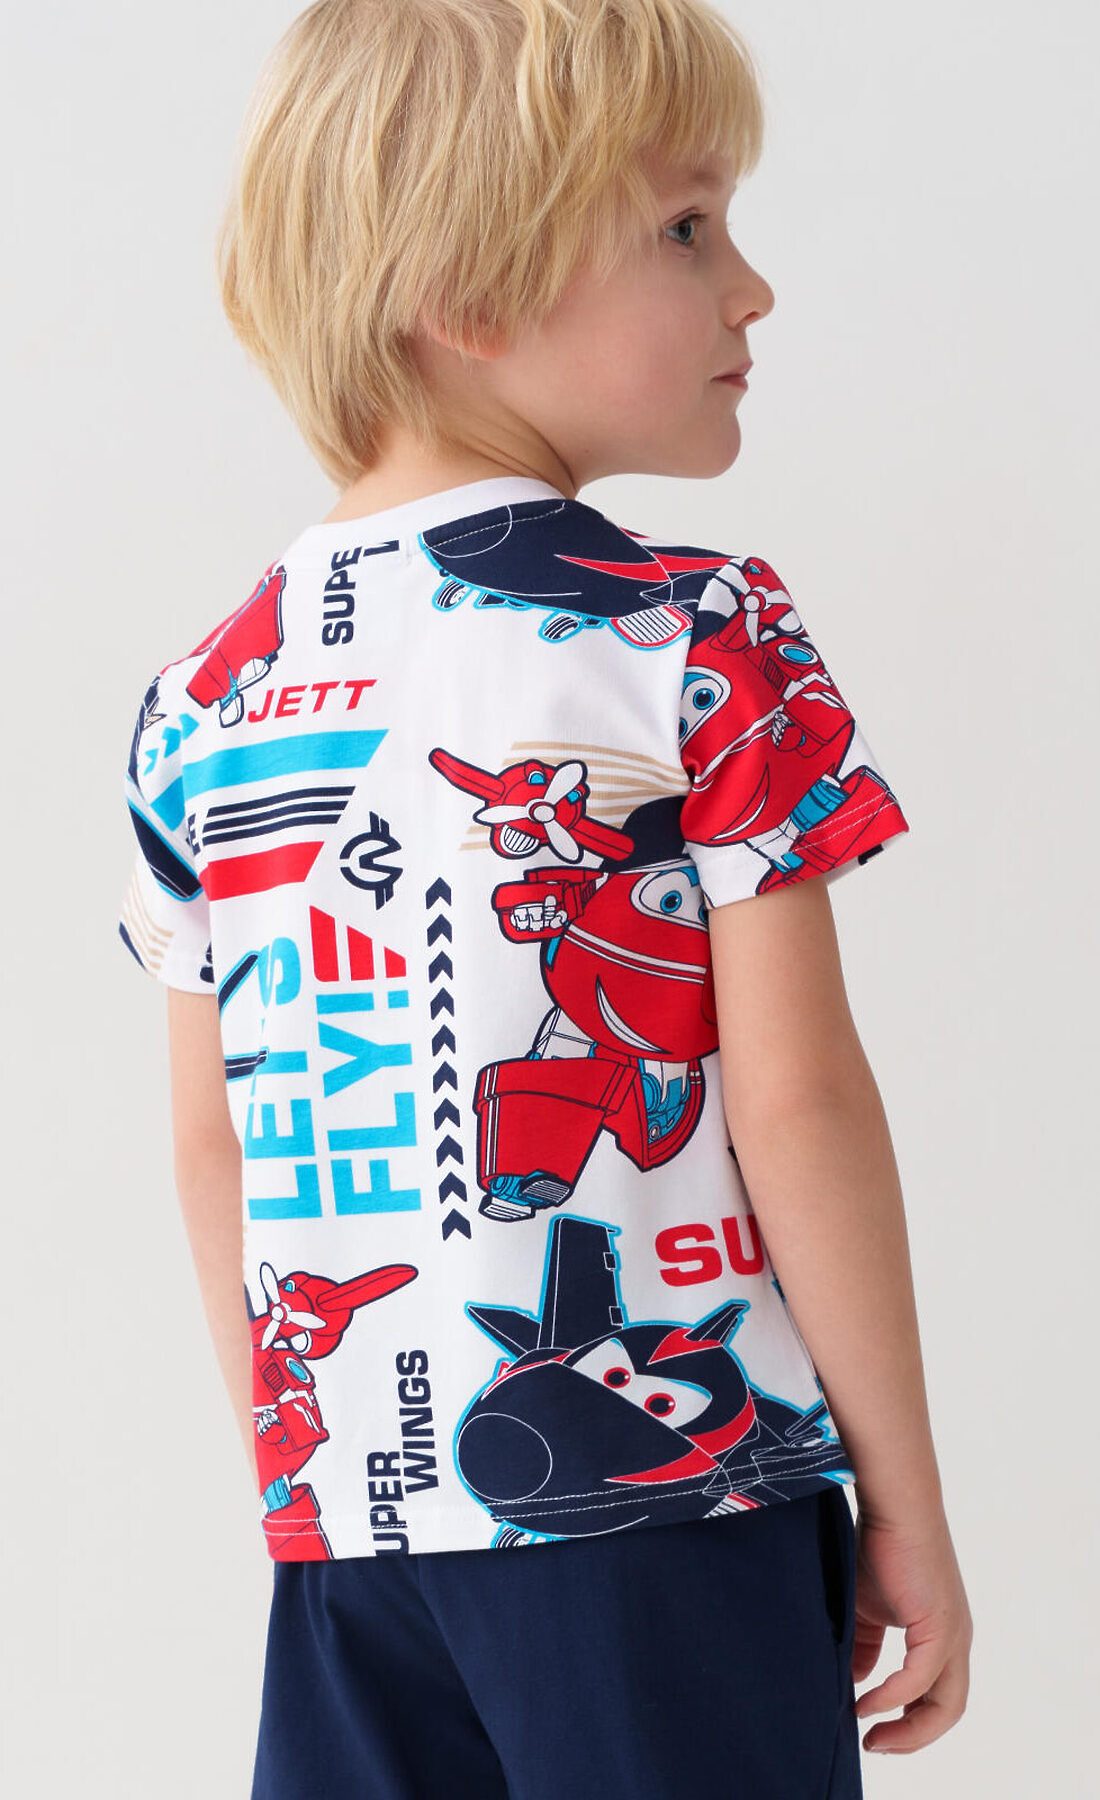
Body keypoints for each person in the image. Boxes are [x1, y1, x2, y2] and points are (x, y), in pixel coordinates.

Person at [116, 2, 972, 1794]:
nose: (751, 289)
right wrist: (901, 1497)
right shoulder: (694, 631)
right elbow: (798, 1099)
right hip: (672, 1500)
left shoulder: (205, 699)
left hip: (351, 1530)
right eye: (687, 227)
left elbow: (213, 1140)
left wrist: (314, 1479)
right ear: (468, 288)